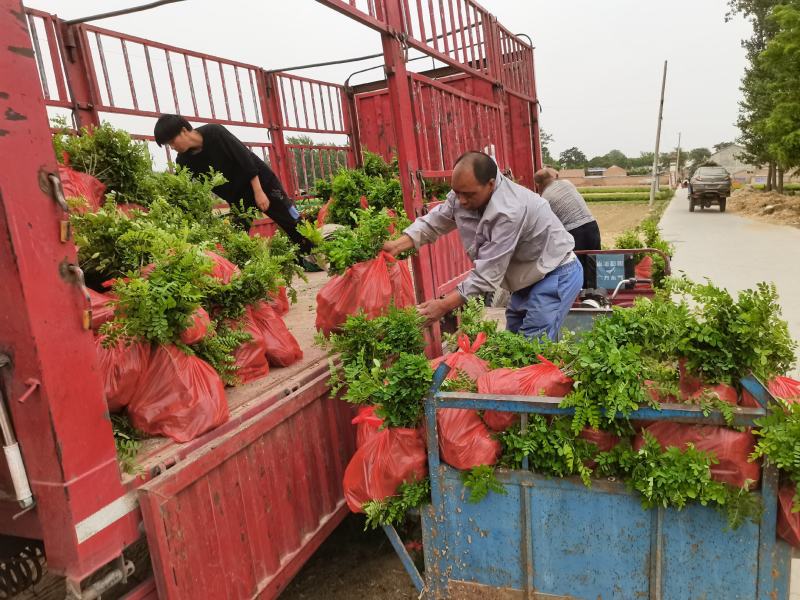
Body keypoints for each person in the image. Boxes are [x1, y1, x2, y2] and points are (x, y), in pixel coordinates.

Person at [382, 151, 582, 341]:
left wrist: (443, 306)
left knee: (532, 345)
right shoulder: (463, 194)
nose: (461, 200)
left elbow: (487, 275)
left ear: (491, 184)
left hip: (555, 273)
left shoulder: (509, 211)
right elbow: (434, 222)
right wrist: (396, 246)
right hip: (527, 277)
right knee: (514, 342)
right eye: (457, 192)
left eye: (468, 194)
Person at [153, 114, 313, 255]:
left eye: (172, 141)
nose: (172, 147)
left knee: (291, 222)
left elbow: (244, 157)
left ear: (183, 130)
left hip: (261, 183)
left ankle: (315, 252)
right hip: (238, 198)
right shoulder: (183, 161)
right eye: (169, 145)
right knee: (237, 239)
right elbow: (185, 189)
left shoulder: (215, 132)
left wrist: (258, 191)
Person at [533, 167, 600, 288]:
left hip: (574, 232)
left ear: (538, 184)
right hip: (592, 225)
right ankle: (595, 295)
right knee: (593, 263)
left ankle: (580, 296)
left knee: (577, 267)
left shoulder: (545, 198)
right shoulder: (567, 183)